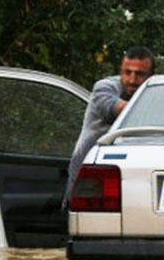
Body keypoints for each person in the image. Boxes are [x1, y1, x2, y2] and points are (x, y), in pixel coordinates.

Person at [64, 46, 155, 204]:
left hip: (135, 176)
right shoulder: (104, 88)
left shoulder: (155, 91)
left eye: (140, 74)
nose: (132, 80)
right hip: (90, 173)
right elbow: (119, 109)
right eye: (127, 72)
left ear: (151, 76)